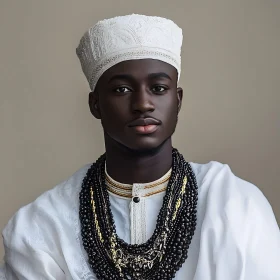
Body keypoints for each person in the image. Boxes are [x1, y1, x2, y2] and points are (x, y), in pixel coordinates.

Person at [0, 14, 280, 280]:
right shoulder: (43, 224)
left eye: (158, 88)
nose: (143, 104)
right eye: (122, 89)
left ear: (178, 100)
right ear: (95, 104)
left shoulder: (235, 205)